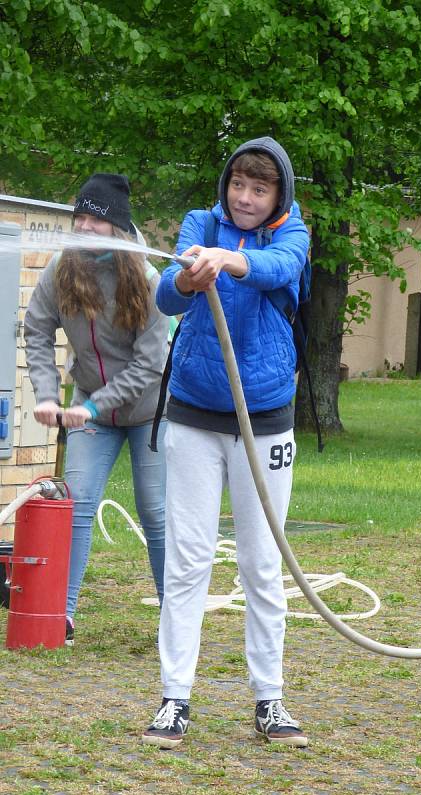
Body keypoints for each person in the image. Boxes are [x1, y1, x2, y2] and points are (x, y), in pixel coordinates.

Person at [142, 137, 310, 749]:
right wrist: (189, 277)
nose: (244, 197)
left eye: (259, 188)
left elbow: (279, 270)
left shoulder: (293, 234)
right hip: (192, 416)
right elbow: (164, 296)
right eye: (239, 184)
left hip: (263, 420)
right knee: (187, 561)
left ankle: (270, 700)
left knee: (262, 565)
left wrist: (230, 261)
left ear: (277, 196)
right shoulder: (198, 223)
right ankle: (173, 700)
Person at [24, 173, 169, 645]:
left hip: (150, 413)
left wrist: (93, 406)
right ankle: (59, 616)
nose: (85, 227)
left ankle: (176, 617)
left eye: (96, 220)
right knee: (77, 504)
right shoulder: (60, 269)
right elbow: (37, 331)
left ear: (118, 228)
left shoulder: (148, 280)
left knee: (156, 512)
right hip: (90, 412)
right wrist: (47, 393)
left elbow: (152, 363)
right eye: (79, 217)